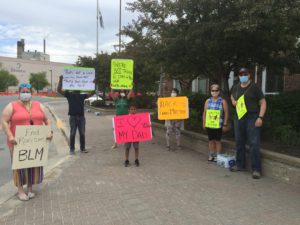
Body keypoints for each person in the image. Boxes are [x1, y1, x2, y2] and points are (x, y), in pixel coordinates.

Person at [1, 83, 53, 201]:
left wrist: (49, 132)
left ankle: (30, 188)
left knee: (33, 164)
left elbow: (47, 119)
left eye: (27, 91)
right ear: (19, 93)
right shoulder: (12, 106)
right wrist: (10, 136)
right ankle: (20, 190)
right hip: (17, 143)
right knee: (19, 166)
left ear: (31, 93)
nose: (25, 93)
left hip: (35, 142)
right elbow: (4, 121)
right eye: (23, 91)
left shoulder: (39, 105)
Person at [230, 68, 267, 179]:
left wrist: (260, 117)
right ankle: (240, 165)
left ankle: (256, 169)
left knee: (254, 142)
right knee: (239, 141)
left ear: (249, 75)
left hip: (252, 117)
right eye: (241, 74)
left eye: (245, 74)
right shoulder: (236, 87)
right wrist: (233, 101)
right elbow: (232, 96)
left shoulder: (254, 87)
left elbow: (263, 102)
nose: (243, 76)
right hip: (239, 117)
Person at [57, 75, 89, 155]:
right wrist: (60, 80)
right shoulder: (69, 94)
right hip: (73, 117)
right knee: (72, 133)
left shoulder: (82, 95)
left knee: (82, 133)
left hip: (81, 117)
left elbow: (92, 94)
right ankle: (72, 149)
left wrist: (94, 84)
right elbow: (59, 90)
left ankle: (82, 148)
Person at [202, 83, 229, 162]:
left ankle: (218, 156)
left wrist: (225, 124)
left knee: (217, 140)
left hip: (218, 125)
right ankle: (211, 154)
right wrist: (204, 123)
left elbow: (226, 113)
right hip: (209, 125)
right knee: (210, 140)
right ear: (210, 91)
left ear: (219, 91)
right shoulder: (208, 101)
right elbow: (204, 112)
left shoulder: (222, 101)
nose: (214, 92)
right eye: (212, 90)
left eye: (216, 90)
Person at [124, 103, 140, 167]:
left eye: (134, 109)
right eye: (131, 109)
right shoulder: (125, 118)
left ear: (136, 110)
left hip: (136, 135)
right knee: (127, 148)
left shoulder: (139, 118)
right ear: (129, 110)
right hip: (128, 135)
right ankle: (126, 160)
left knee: (136, 147)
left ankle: (136, 159)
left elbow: (142, 126)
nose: (133, 111)